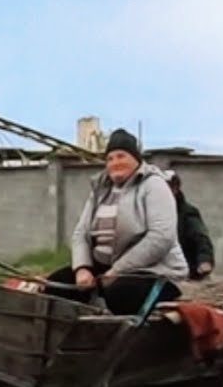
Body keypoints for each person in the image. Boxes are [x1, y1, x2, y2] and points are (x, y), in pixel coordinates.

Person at [45, 128, 188, 314]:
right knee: (57, 285)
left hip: (155, 271)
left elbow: (161, 237)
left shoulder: (153, 185)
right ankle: (72, 336)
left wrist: (117, 271)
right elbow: (81, 234)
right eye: (110, 159)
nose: (115, 163)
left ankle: (109, 337)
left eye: (121, 156)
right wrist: (82, 268)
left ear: (136, 159)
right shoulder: (100, 188)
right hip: (106, 269)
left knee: (120, 294)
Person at [165, 169, 216, 280]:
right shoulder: (151, 212)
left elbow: (201, 238)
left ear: (175, 189)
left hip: (185, 275)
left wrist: (204, 260)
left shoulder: (187, 213)